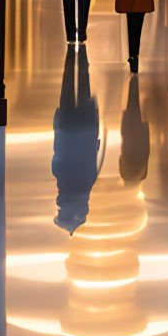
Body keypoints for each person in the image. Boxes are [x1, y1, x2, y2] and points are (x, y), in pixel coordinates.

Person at [51, 41, 99, 233]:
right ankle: (72, 53)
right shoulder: (60, 176)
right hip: (67, 124)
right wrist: (56, 123)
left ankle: (81, 53)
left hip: (87, 124)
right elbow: (58, 146)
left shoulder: (89, 181)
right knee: (68, 82)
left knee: (83, 81)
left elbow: (92, 150)